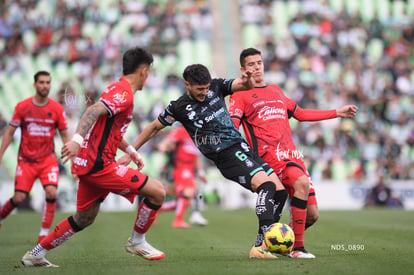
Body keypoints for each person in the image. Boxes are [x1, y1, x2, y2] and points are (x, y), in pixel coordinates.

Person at [119, 63, 286, 259]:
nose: (205, 93)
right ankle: (263, 244)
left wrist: (248, 79)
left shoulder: (216, 86)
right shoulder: (179, 107)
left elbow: (245, 86)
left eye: (206, 88)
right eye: (200, 89)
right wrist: (131, 152)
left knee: (280, 193)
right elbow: (154, 127)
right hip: (226, 155)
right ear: (187, 85)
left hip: (242, 147)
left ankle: (261, 244)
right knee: (266, 186)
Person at [21, 47, 166, 268]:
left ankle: (35, 254)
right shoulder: (124, 93)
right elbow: (92, 112)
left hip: (88, 165)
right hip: (100, 166)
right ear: (144, 71)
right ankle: (137, 242)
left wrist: (130, 151)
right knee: (157, 192)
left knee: (84, 218)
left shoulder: (116, 89)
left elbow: (108, 129)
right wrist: (76, 140)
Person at [228, 48, 359, 258]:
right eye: (251, 64)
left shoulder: (276, 90)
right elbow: (232, 126)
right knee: (301, 183)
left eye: (259, 63)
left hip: (292, 157)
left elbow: (301, 114)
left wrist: (337, 112)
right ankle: (297, 248)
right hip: (270, 158)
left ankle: (276, 241)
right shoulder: (239, 95)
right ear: (243, 69)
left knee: (312, 216)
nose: (256, 67)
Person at [0, 71, 69, 243]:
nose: (45, 85)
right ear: (34, 85)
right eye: (41, 82)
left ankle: (43, 235)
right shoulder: (22, 107)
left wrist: (70, 155)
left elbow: (65, 134)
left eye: (47, 82)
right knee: (19, 198)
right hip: (26, 161)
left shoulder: (56, 108)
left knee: (51, 192)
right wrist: (1, 154)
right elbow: (9, 132)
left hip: (48, 160)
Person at [157, 124, 208, 228]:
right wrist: (163, 146)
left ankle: (156, 209)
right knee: (189, 192)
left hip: (189, 169)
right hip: (181, 167)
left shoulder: (197, 135)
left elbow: (196, 156)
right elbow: (168, 141)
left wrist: (201, 172)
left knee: (182, 199)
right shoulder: (182, 130)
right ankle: (178, 221)